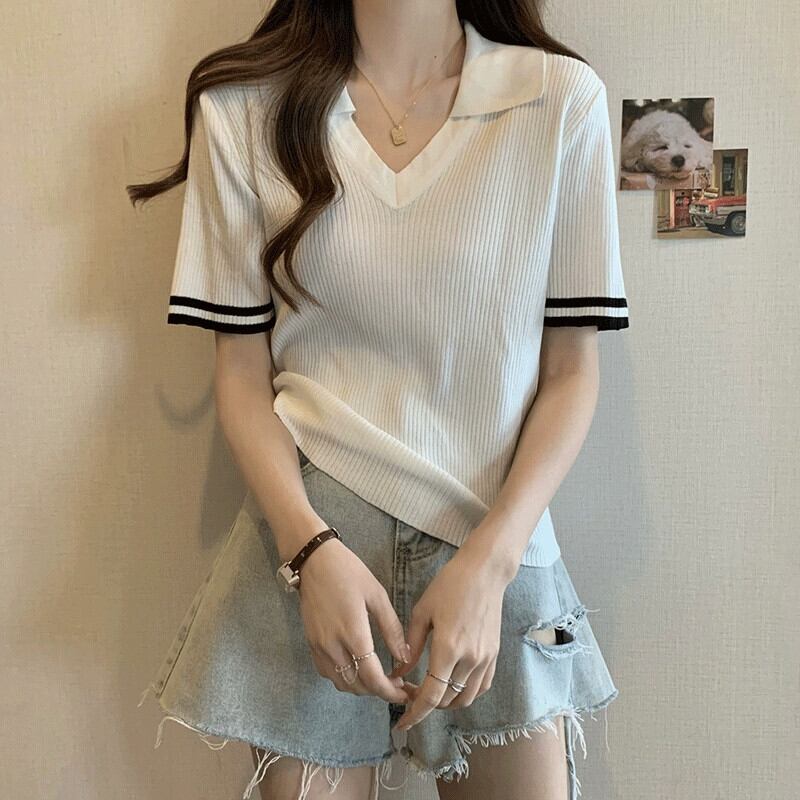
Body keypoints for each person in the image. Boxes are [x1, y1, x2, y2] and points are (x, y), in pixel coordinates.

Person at [129, 2, 629, 799]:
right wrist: (308, 553)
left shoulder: (559, 100)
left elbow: (572, 372)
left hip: (495, 546)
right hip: (312, 545)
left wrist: (491, 566)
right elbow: (241, 374)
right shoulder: (245, 109)